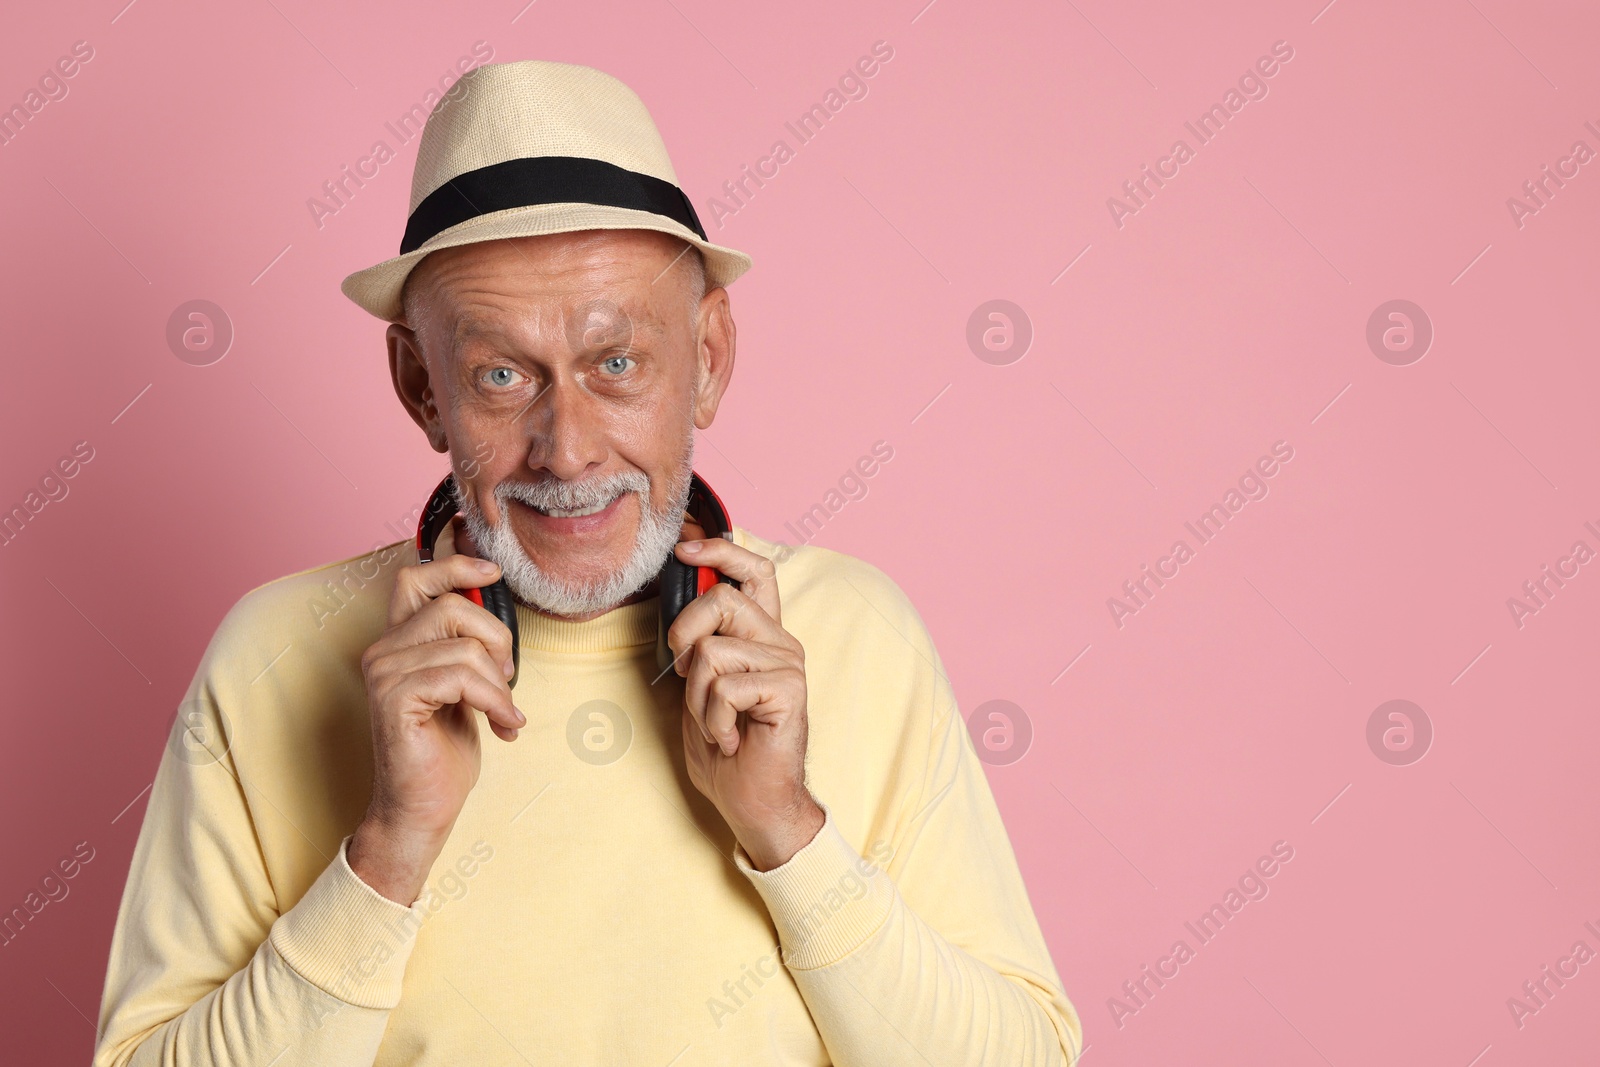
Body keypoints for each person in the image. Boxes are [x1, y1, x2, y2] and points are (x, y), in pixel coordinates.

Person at [93, 59, 1083, 1066]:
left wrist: (787, 829)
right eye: (500, 374)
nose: (566, 449)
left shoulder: (857, 632)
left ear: (707, 358)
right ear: (419, 387)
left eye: (617, 364)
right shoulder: (270, 655)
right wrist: (389, 849)